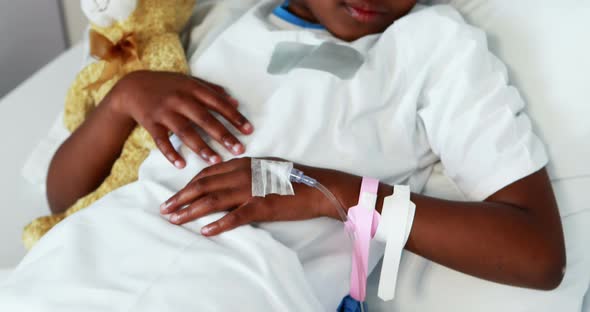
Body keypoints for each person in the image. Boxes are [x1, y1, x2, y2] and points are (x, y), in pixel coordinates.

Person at [1, 0, 565, 310]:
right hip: (88, 260)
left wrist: (333, 192)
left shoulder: (436, 47)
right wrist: (122, 101)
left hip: (238, 285)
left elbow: (537, 255)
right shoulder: (229, 24)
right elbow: (63, 196)